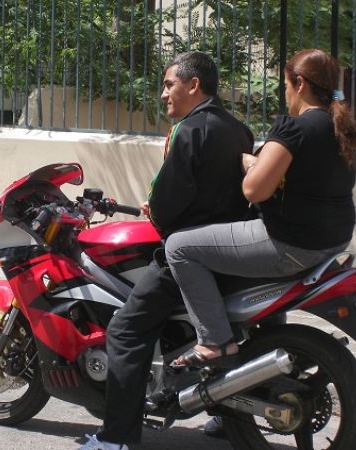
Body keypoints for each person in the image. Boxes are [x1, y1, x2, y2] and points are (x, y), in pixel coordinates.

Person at [79, 51, 254, 450]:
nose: (163, 95)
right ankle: (229, 417)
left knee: (125, 330)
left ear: (193, 85)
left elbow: (168, 197)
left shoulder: (189, 130)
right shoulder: (238, 129)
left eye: (169, 84)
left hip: (187, 254)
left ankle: (115, 438)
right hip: (231, 249)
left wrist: (155, 211)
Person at [164, 48, 356, 370]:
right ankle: (270, 339)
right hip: (333, 239)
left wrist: (250, 165)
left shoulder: (293, 129)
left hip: (291, 243)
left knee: (179, 247)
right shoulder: (342, 128)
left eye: (285, 85)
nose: (285, 94)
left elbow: (254, 190)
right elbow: (310, 178)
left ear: (298, 83)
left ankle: (215, 341)